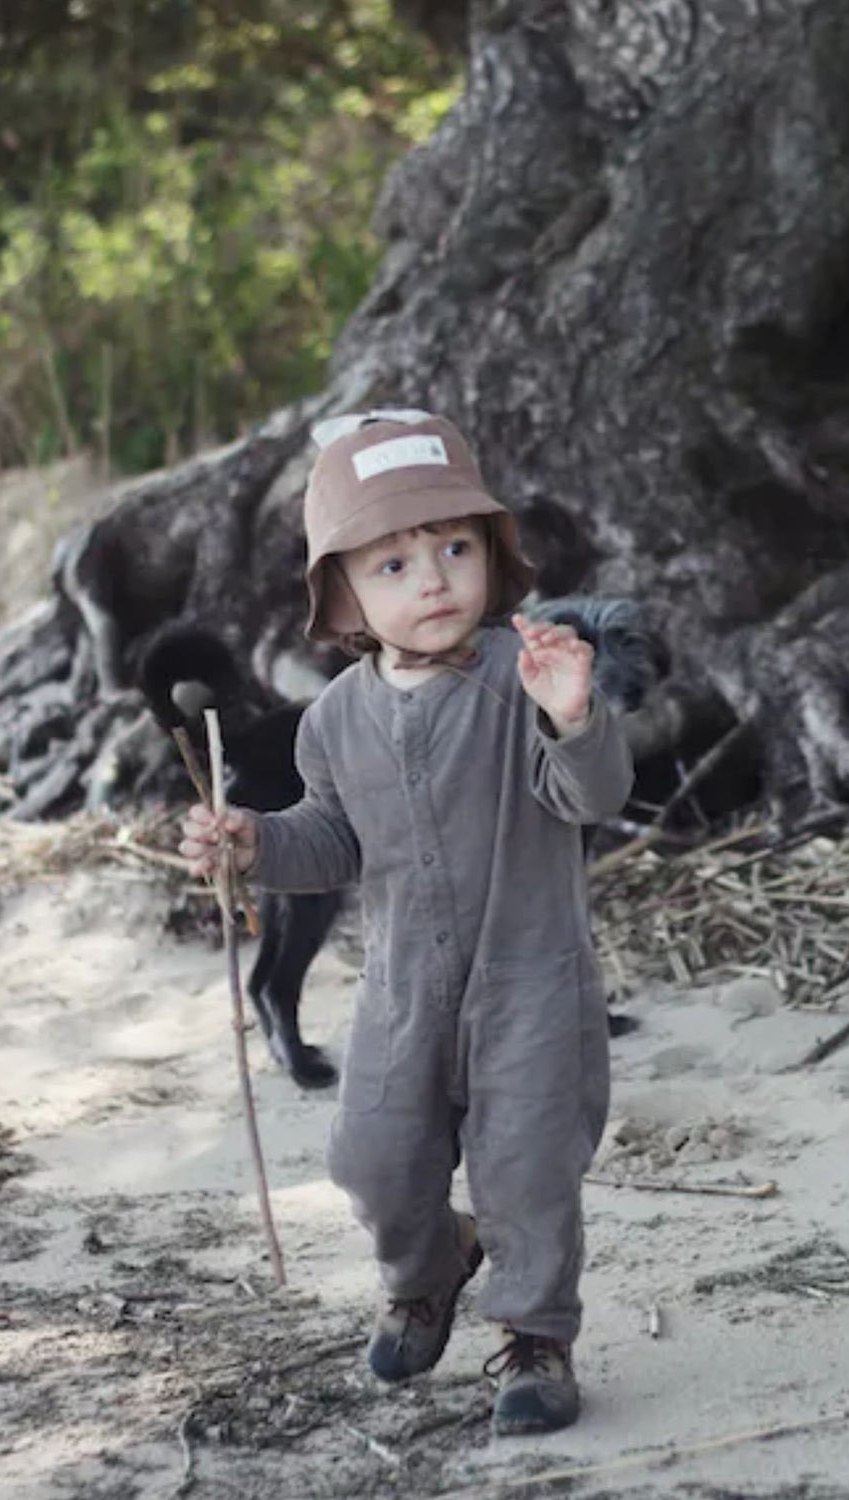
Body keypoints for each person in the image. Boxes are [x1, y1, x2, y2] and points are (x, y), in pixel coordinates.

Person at [180, 409, 633, 1435]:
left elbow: (593, 796)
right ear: (339, 594)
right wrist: (252, 842)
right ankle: (431, 1267)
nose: (431, 580)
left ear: (494, 557)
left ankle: (533, 1335)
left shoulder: (526, 686)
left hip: (530, 988)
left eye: (454, 549)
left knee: (528, 1169)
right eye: (391, 565)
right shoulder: (335, 719)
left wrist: (574, 716)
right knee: (375, 1158)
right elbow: (331, 842)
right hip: (400, 996)